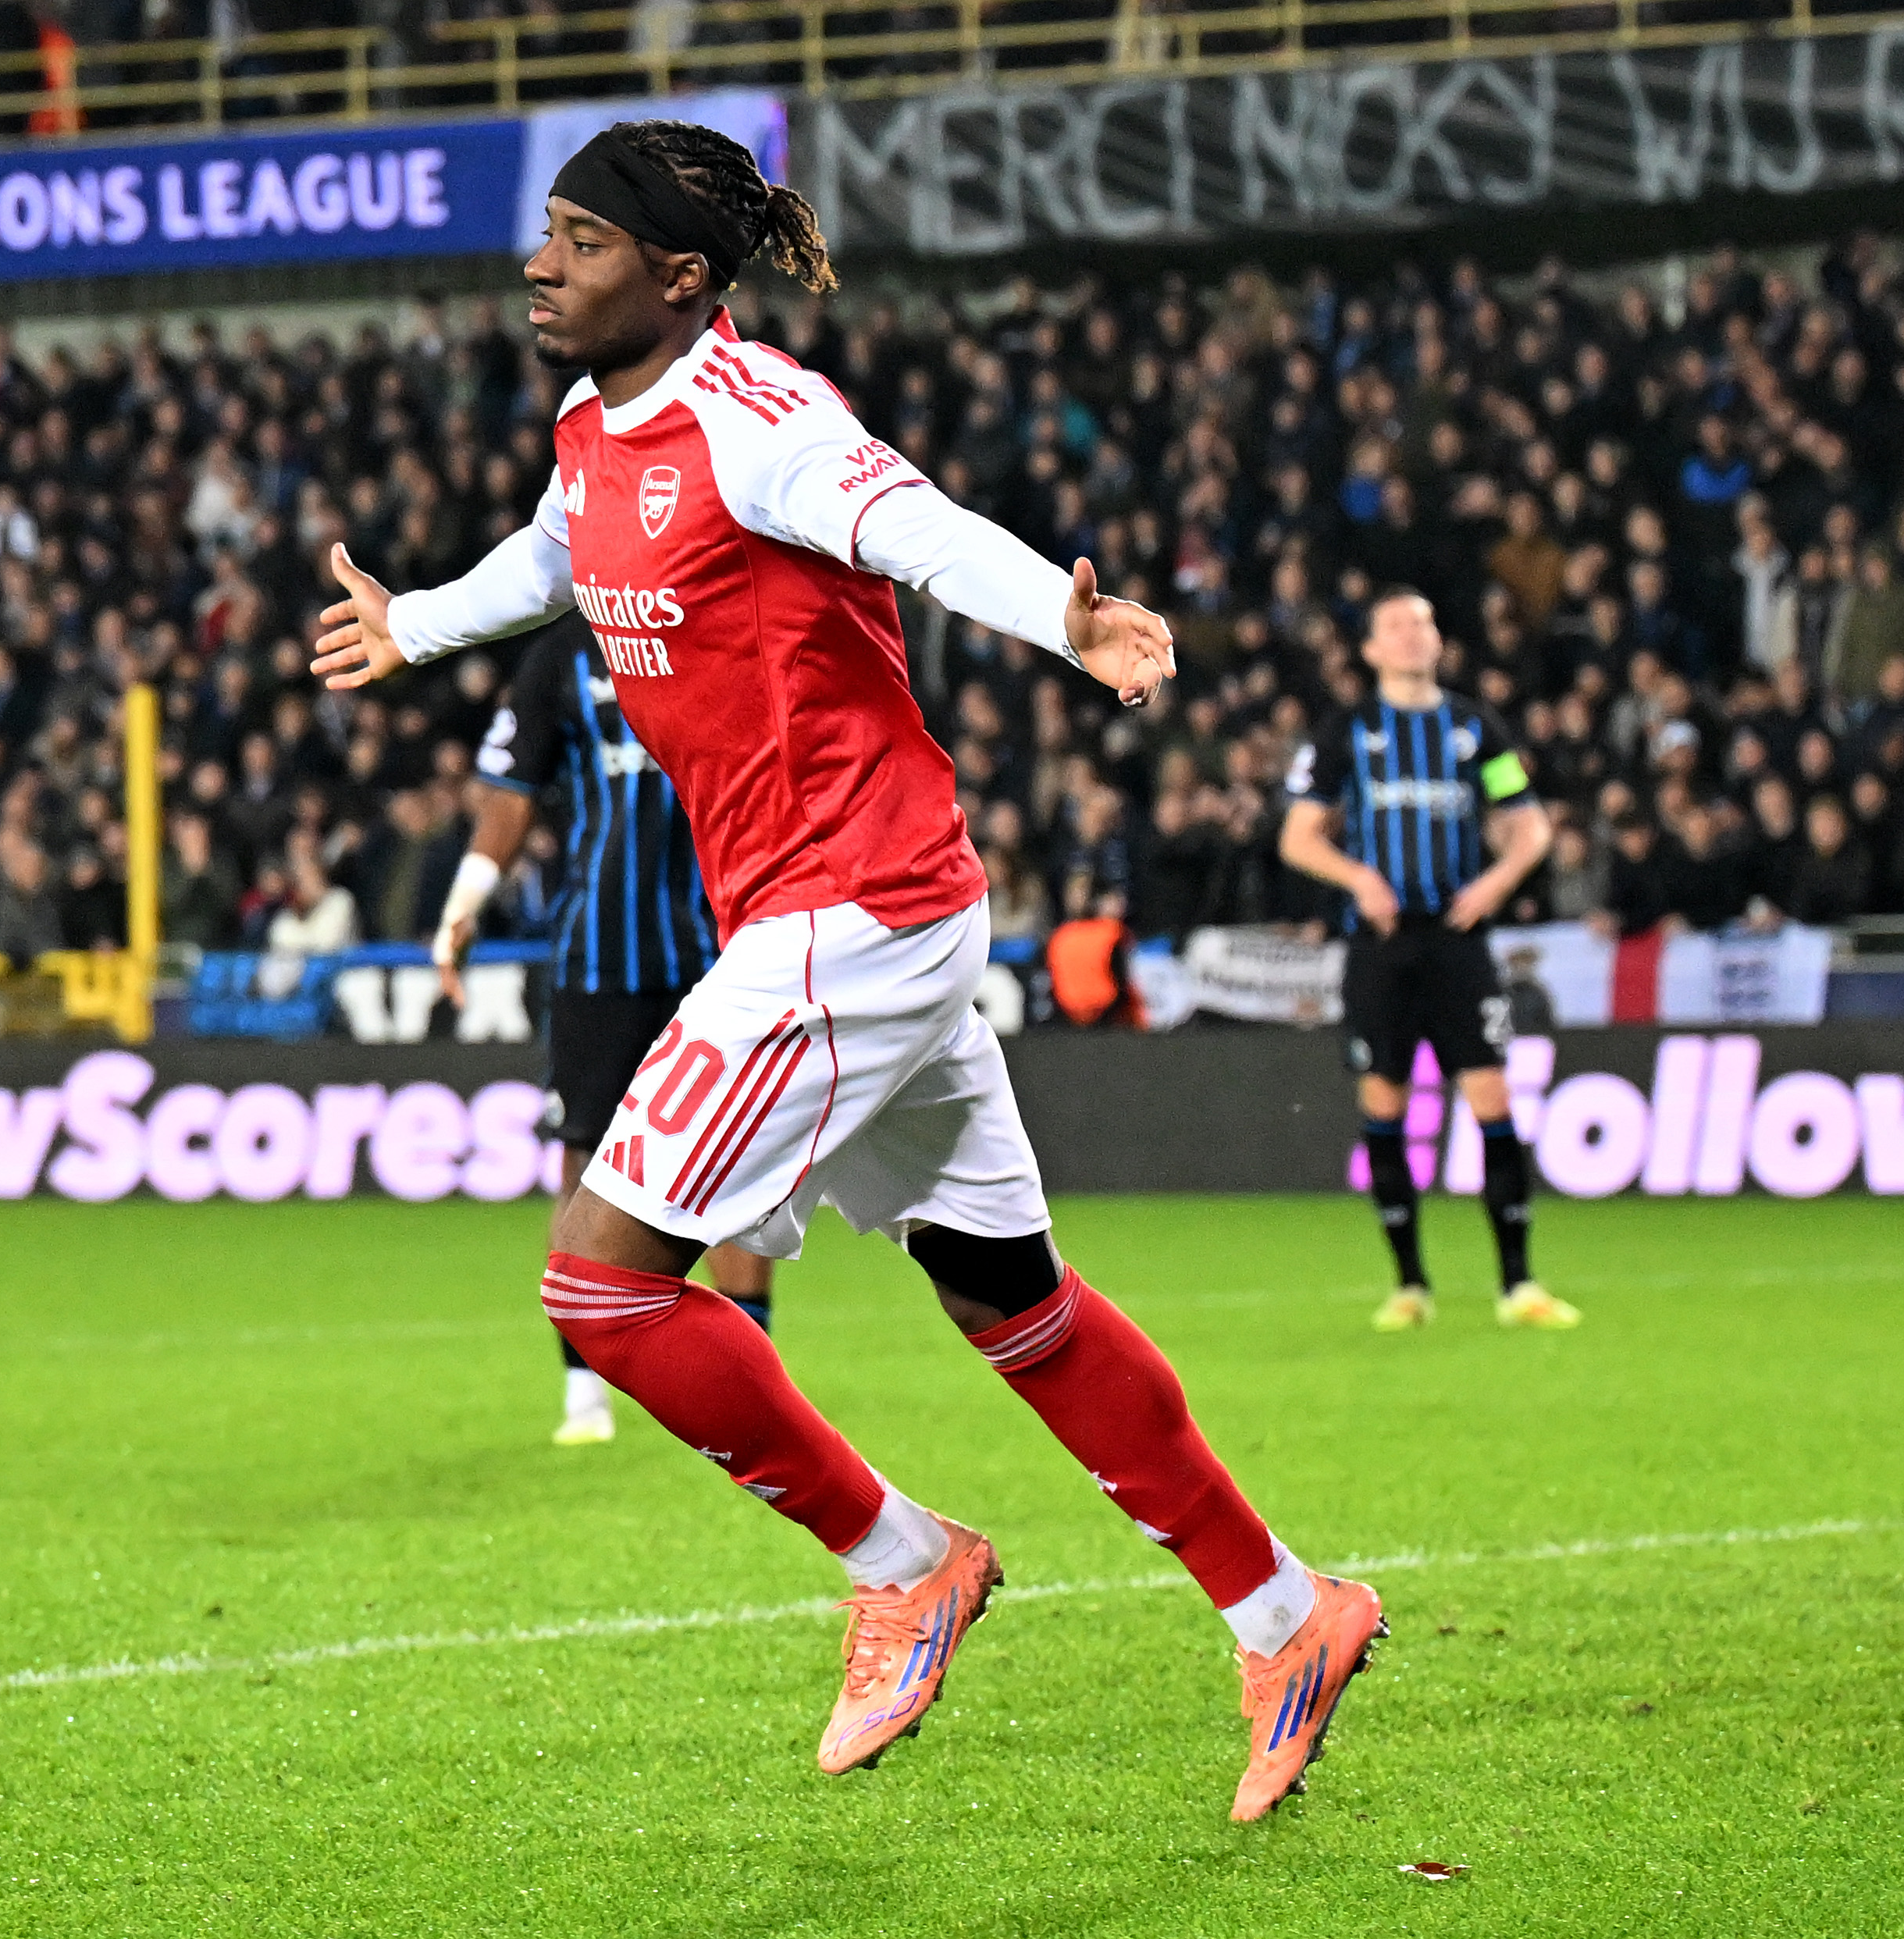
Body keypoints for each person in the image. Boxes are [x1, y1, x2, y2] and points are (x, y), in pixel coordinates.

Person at [311, 119, 1382, 1820]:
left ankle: (907, 1561)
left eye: (580, 242)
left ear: (676, 276)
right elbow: (555, 560)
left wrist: (1068, 619)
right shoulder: (596, 426)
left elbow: (920, 527)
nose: (540, 265)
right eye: (546, 235)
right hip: (851, 911)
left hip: (848, 908)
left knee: (600, 1289)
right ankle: (1286, 1612)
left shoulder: (765, 422)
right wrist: (417, 625)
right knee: (1009, 1301)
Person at [436, 613, 775, 1448]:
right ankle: (584, 1393)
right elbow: (508, 801)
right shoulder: (558, 658)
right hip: (597, 958)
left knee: (738, 1160)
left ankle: (758, 1383)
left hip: (718, 945)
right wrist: (462, 906)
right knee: (584, 1160)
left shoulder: (716, 627)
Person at [1278, 588, 1576, 1335]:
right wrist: (1358, 877)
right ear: (1371, 650)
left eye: (1423, 622)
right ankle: (1410, 1283)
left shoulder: (1476, 728)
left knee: (1491, 1098)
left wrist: (1497, 881)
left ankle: (1519, 1283)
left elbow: (1528, 825)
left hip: (1457, 939)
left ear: (1439, 640)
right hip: (1380, 947)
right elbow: (1298, 836)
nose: (1412, 635)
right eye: (1395, 627)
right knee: (1383, 1101)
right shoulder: (1347, 731)